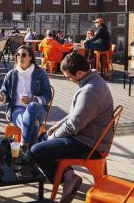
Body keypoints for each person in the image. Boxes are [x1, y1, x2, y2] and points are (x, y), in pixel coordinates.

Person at [29, 52, 113, 203]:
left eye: (68, 77)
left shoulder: (90, 91)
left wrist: (53, 136)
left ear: (79, 73)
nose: (68, 80)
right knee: (41, 139)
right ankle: (67, 175)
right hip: (89, 136)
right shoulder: (91, 80)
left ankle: (68, 178)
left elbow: (74, 125)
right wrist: (57, 125)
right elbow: (76, 115)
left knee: (37, 150)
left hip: (90, 145)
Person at [0, 45, 52, 152]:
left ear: (30, 57)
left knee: (32, 106)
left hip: (38, 109)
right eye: (18, 55)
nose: (20, 57)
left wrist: (35, 99)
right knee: (34, 123)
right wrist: (2, 96)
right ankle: (30, 153)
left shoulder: (40, 73)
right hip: (18, 109)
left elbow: (48, 95)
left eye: (24, 55)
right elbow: (4, 93)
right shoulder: (11, 74)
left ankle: (24, 144)